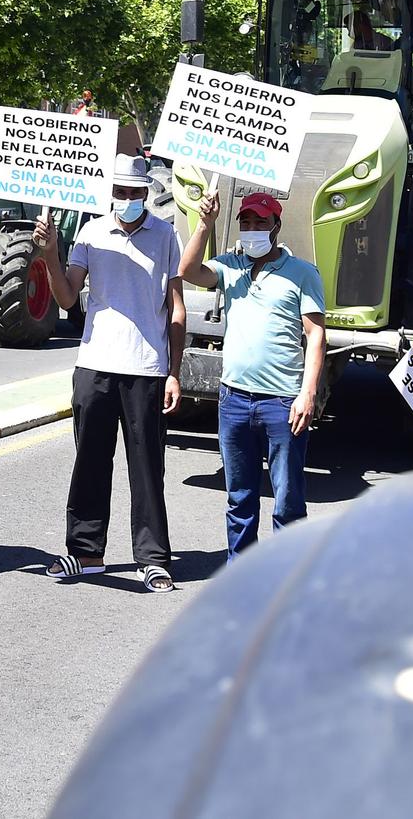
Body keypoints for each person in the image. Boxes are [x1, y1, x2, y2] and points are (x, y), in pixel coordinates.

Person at [34, 153, 185, 594]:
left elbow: (175, 308)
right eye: (120, 193)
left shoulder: (165, 236)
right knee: (89, 463)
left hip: (147, 368)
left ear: (146, 194)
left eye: (135, 193)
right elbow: (66, 299)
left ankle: (154, 559)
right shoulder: (91, 232)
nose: (127, 200)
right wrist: (50, 255)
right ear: (110, 195)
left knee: (147, 467)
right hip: (95, 366)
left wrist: (174, 372)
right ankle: (85, 553)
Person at [177, 188, 327, 556]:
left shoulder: (303, 273)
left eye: (261, 222)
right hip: (234, 400)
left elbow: (316, 334)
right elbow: (187, 270)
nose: (252, 228)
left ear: (276, 226)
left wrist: (308, 394)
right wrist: (205, 224)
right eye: (246, 221)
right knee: (239, 497)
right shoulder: (229, 266)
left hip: (282, 402)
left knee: (287, 501)